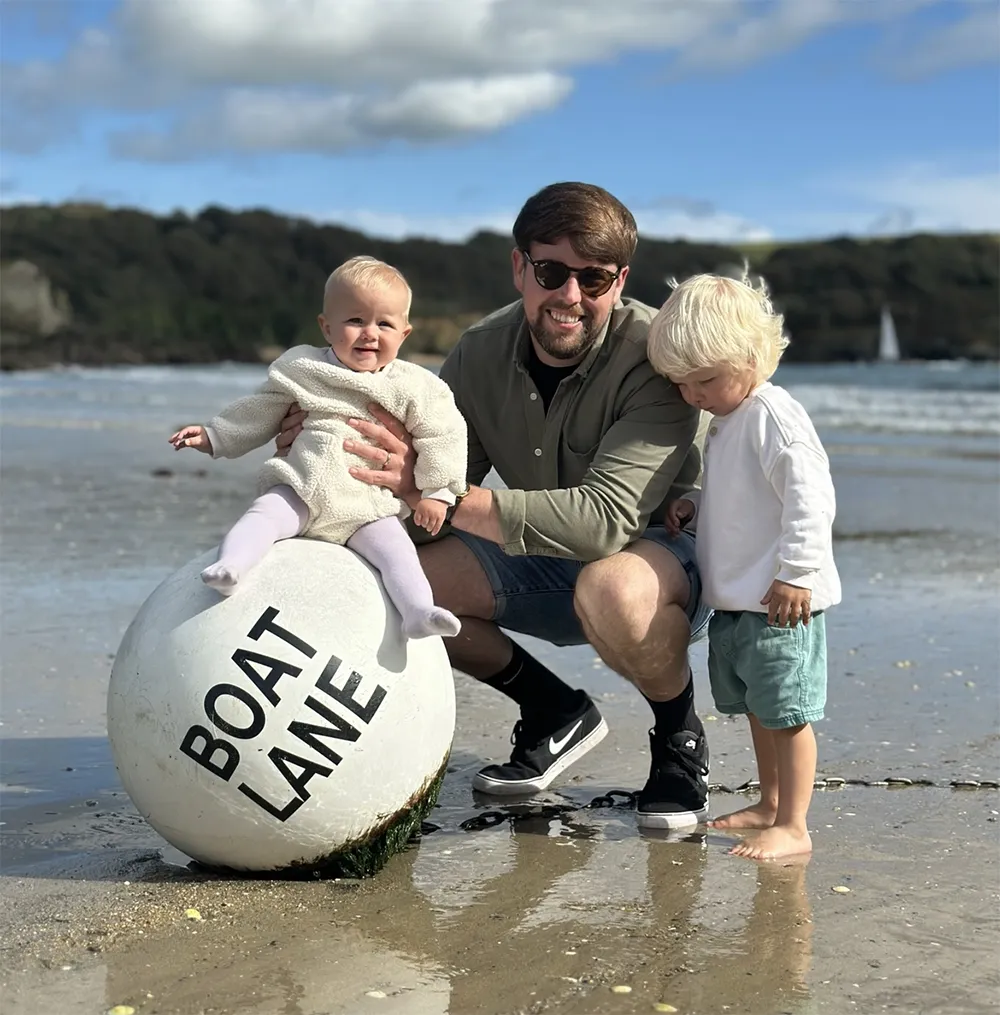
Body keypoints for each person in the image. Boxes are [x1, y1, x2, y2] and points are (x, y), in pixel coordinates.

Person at [279, 183, 712, 828]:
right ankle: (552, 710)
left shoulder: (655, 356)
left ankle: (678, 735)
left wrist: (432, 491)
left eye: (593, 279)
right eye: (551, 272)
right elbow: (416, 482)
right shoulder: (480, 353)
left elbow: (602, 524)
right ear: (520, 267)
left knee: (612, 586)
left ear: (620, 281)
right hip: (540, 553)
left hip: (661, 557)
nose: (571, 296)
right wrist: (327, 452)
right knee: (394, 578)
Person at [169, 255, 468, 640]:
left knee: (398, 553)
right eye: (355, 321)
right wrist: (215, 435)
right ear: (326, 327)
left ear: (404, 334)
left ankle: (418, 611)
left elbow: (443, 434)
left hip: (367, 506)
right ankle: (233, 567)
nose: (369, 334)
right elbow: (261, 409)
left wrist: (438, 492)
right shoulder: (304, 368)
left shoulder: (416, 387)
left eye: (384, 324)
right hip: (301, 487)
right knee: (264, 514)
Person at [649, 268, 841, 859]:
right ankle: (769, 803)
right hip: (740, 602)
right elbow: (743, 499)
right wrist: (696, 505)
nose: (692, 396)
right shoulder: (730, 421)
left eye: (704, 380)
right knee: (761, 710)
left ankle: (795, 824)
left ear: (753, 356)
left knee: (787, 713)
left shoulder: (773, 415)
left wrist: (797, 573)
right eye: (681, 384)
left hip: (781, 602)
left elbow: (811, 496)